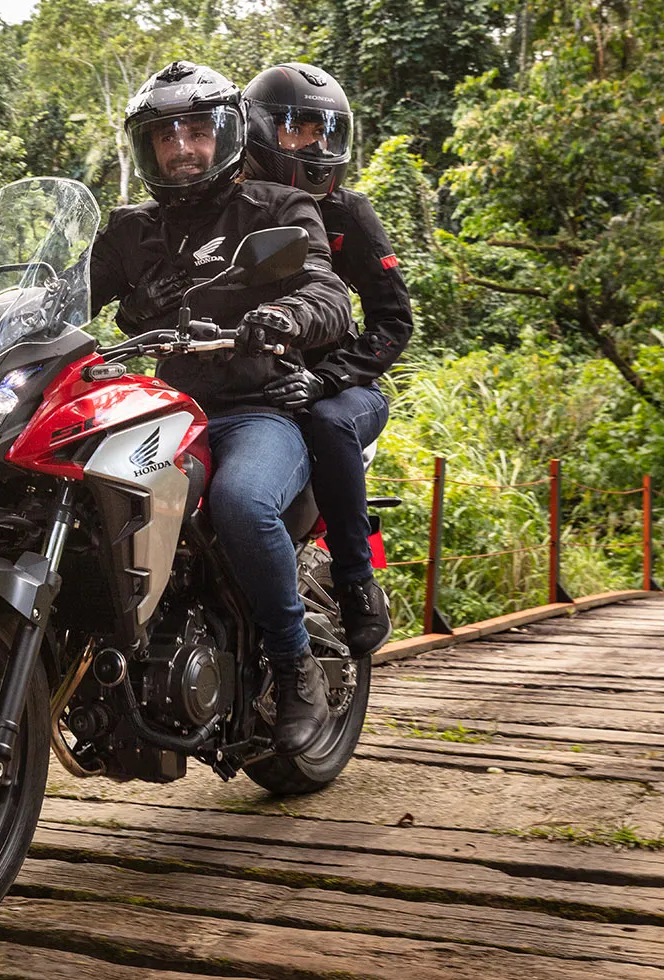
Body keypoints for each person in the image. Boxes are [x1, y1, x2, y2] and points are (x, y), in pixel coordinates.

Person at [88, 61, 356, 753]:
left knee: (240, 500)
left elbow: (330, 296)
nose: (181, 147)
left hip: (255, 409)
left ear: (227, 133)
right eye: (163, 136)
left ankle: (294, 667)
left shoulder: (276, 208)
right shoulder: (130, 230)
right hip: (161, 408)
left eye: (197, 130)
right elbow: (66, 292)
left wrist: (286, 316)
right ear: (145, 149)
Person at [241, 62, 412, 658]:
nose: (315, 145)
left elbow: (395, 320)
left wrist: (332, 376)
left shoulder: (350, 215)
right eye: (298, 130)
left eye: (324, 132)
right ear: (259, 131)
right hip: (255, 384)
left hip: (341, 384)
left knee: (330, 422)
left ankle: (355, 580)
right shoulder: (236, 207)